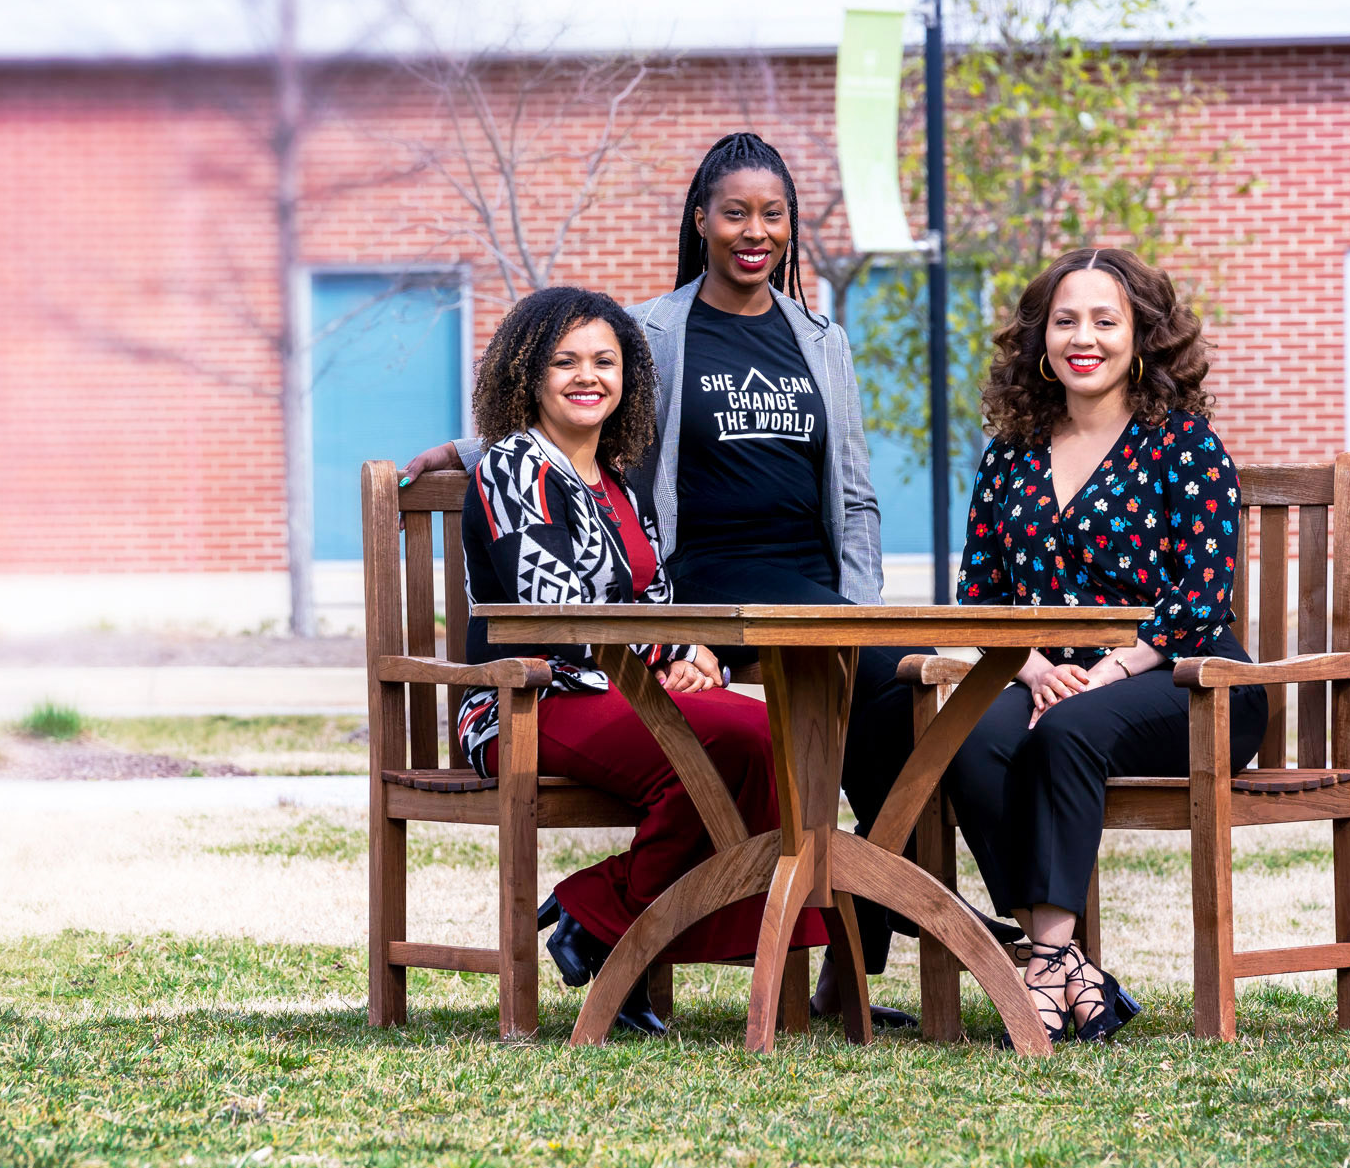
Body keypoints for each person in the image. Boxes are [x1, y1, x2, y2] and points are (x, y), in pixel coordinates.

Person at [407, 132, 971, 1025]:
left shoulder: (822, 341)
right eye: (735, 211)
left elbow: (853, 491)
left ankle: (859, 942)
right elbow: (578, 414)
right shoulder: (653, 333)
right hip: (688, 601)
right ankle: (662, 927)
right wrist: (469, 448)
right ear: (699, 219)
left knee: (905, 712)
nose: (756, 229)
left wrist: (860, 613)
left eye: (773, 213)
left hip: (807, 594)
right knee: (766, 742)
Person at [456, 284, 825, 1036]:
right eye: (565, 361)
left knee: (764, 735)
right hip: (525, 699)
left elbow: (654, 600)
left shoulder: (620, 483)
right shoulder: (514, 465)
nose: (587, 375)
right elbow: (551, 603)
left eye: (605, 360)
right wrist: (671, 650)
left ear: (628, 377)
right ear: (528, 374)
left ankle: (601, 916)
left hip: (622, 692)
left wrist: (688, 655)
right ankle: (606, 920)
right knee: (726, 743)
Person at [946, 247, 1266, 1044]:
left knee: (1063, 730)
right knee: (969, 736)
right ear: (1039, 339)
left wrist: (1112, 666)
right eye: (1064, 320)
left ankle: (1044, 965)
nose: (1082, 336)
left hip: (1190, 673)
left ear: (1141, 336)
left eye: (1104, 319)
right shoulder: (1011, 452)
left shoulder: (1183, 443)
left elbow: (1200, 593)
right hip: (1052, 674)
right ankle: (1062, 965)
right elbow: (981, 594)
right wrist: (1034, 666)